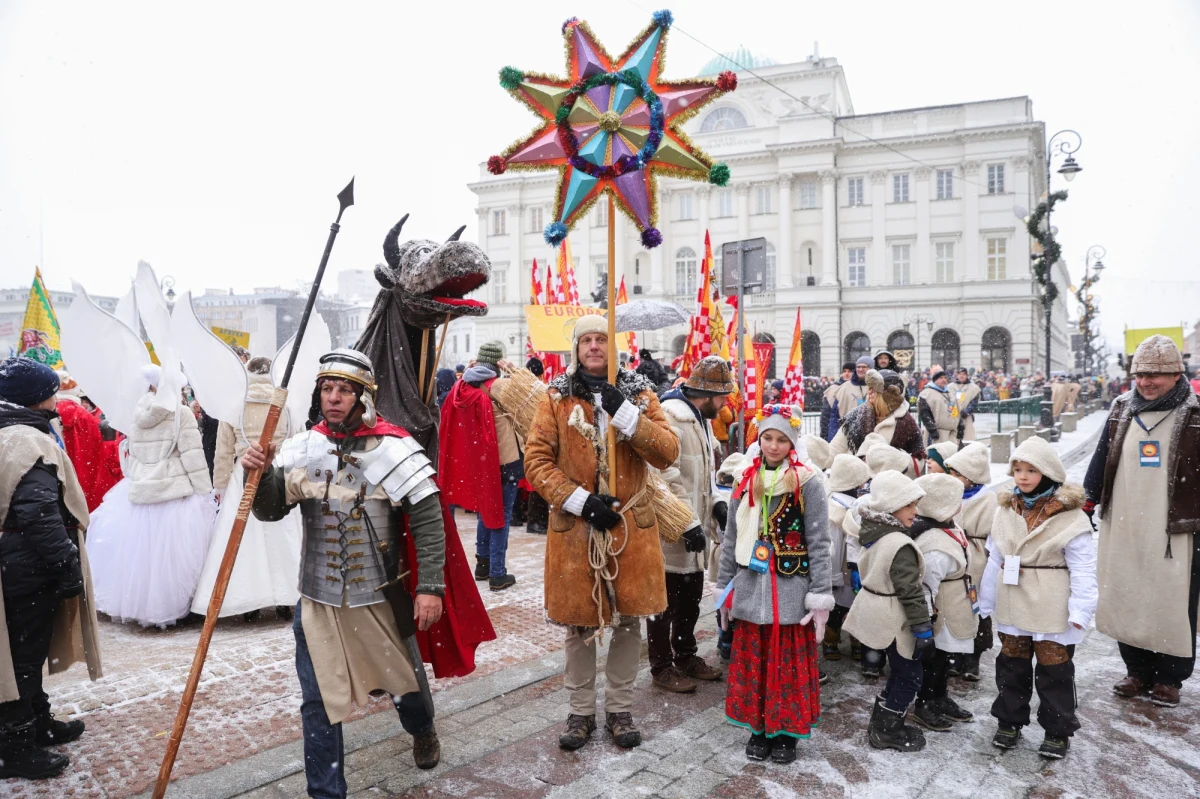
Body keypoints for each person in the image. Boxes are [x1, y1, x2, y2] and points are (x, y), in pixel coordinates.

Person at [241, 348, 463, 791]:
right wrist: (260, 473)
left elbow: (427, 518)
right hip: (318, 600)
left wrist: (431, 586)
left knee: (406, 686)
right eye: (327, 388)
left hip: (379, 595)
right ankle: (326, 791)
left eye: (344, 389)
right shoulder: (302, 447)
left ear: (364, 397)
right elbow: (268, 511)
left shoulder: (395, 446)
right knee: (317, 701)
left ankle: (422, 729)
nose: (334, 397)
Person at [524, 316, 679, 751]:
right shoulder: (555, 397)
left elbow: (668, 453)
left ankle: (620, 708)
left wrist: (627, 413)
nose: (594, 346)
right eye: (586, 340)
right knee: (579, 624)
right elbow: (536, 460)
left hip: (630, 527)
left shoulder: (639, 394)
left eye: (602, 339)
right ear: (575, 348)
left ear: (614, 347)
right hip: (576, 529)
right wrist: (579, 500)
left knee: (628, 622)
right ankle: (580, 712)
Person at [0, 358, 102, 780]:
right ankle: (17, 747)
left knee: (27, 650)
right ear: (35, 396)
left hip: (19, 559)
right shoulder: (26, 441)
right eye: (51, 390)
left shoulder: (13, 431)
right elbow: (38, 513)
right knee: (22, 655)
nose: (57, 398)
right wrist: (66, 567)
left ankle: (37, 722)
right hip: (27, 563)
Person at [1085, 334, 1200, 708]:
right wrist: (1087, 501)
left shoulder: (1195, 413)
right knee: (1128, 594)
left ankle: (1170, 678)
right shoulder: (1121, 408)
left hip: (1176, 529)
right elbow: (1101, 462)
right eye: (1141, 375)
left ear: (1176, 374)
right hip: (1125, 522)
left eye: (1157, 375)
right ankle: (1137, 670)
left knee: (1171, 601)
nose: (1147, 382)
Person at [716, 404, 831, 763]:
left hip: (792, 589)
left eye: (782, 439)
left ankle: (786, 732)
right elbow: (731, 538)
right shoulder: (743, 481)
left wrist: (820, 593)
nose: (774, 446)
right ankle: (758, 727)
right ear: (759, 439)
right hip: (751, 585)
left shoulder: (808, 482)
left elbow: (819, 541)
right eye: (768, 437)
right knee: (756, 662)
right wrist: (724, 588)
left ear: (793, 443)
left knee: (786, 664)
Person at [979, 437, 1096, 759]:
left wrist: (1082, 610)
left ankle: (1057, 729)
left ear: (1047, 472)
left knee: (1055, 671)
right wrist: (986, 602)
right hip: (1012, 598)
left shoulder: (1071, 517)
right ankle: (1009, 720)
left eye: (1031, 470)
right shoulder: (1005, 510)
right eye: (1017, 469)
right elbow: (994, 558)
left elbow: (1084, 568)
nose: (1023, 476)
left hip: (1051, 602)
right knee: (1012, 666)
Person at [87, 365, 217, 627]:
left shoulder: (138, 413)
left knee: (142, 556)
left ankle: (144, 606)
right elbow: (193, 457)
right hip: (174, 490)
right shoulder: (181, 414)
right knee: (175, 557)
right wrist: (206, 492)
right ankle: (177, 606)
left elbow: (133, 452)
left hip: (141, 491)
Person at [191, 356, 302, 620]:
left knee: (242, 538)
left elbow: (223, 450)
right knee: (281, 533)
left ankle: (248, 600)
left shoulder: (236, 404)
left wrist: (220, 484)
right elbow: (297, 439)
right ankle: (286, 596)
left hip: (245, 469)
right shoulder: (285, 402)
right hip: (279, 468)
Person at [648, 356, 732, 693]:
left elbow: (703, 480)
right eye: (723, 397)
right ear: (707, 395)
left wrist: (716, 506)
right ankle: (661, 666)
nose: (725, 405)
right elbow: (664, 476)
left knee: (690, 598)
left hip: (695, 528)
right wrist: (688, 522)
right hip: (671, 529)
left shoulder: (702, 419)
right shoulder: (671, 417)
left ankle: (685, 655)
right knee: (664, 602)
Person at [844, 470, 932, 752]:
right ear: (892, 505)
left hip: (878, 610)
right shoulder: (899, 543)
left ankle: (882, 722)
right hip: (896, 618)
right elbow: (909, 589)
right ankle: (887, 729)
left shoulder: (875, 532)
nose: (915, 512)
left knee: (898, 671)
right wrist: (922, 626)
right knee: (910, 675)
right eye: (909, 505)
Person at [439, 341, 523, 591]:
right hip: (505, 460)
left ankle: (483, 565)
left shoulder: (461, 386)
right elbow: (533, 393)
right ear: (499, 362)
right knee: (501, 514)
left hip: (479, 462)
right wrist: (514, 371)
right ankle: (498, 573)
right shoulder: (500, 386)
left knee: (485, 511)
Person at [911, 473, 977, 730]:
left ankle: (940, 696)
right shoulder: (935, 544)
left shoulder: (948, 528)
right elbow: (927, 585)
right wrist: (927, 619)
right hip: (941, 610)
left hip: (954, 604)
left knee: (943, 656)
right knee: (934, 658)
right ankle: (925, 702)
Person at [943, 442, 1000, 681]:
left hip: (976, 559)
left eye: (959, 474)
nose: (953, 478)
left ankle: (974, 656)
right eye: (952, 473)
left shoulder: (989, 500)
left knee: (977, 607)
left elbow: (994, 534)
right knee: (953, 606)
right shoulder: (949, 495)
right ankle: (953, 654)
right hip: (953, 555)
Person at [820, 453, 870, 663]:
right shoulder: (840, 506)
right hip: (841, 563)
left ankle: (845, 639)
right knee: (842, 603)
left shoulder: (840, 502)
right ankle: (832, 639)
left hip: (845, 564)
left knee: (847, 602)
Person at [54, 371, 121, 512]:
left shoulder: (48, 413)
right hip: (86, 480)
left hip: (57, 481)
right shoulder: (84, 416)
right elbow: (104, 453)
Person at [831, 369, 925, 461]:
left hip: (889, 475)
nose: (870, 393)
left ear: (888, 397)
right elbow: (835, 449)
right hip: (858, 474)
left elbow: (919, 459)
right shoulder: (856, 415)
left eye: (874, 390)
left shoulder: (906, 422)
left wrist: (897, 463)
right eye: (869, 388)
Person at [828, 357, 871, 439]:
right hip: (847, 434)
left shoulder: (876, 386)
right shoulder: (844, 388)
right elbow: (834, 415)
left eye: (864, 367)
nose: (861, 369)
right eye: (858, 367)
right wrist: (832, 436)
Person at [918, 370, 957, 447]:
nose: (944, 380)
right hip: (937, 432)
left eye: (945, 378)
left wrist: (960, 424)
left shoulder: (950, 393)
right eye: (941, 378)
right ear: (935, 380)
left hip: (951, 433)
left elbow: (956, 409)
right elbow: (924, 413)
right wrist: (932, 429)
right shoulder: (926, 393)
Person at [949, 368, 981, 444]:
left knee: (968, 439)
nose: (961, 376)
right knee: (953, 439)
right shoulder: (950, 387)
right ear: (957, 375)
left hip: (967, 417)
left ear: (967, 375)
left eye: (963, 374)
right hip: (953, 417)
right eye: (960, 374)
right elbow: (947, 401)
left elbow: (974, 402)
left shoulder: (974, 388)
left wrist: (967, 411)